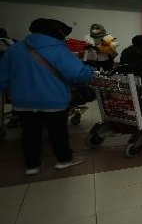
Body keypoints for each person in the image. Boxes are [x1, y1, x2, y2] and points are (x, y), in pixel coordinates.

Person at [0, 18, 93, 175]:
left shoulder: (14, 50)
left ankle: (32, 165)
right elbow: (77, 73)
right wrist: (88, 70)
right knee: (57, 131)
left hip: (23, 102)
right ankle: (63, 160)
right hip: (53, 100)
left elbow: (2, 79)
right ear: (56, 32)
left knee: (29, 133)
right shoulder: (59, 50)